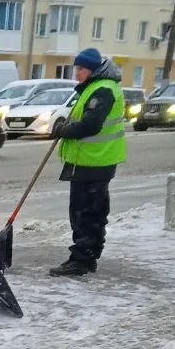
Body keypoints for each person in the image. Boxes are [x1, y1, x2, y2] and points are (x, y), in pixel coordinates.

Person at [49, 47, 126, 278]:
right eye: (76, 68)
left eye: (81, 69)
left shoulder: (102, 90)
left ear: (93, 69)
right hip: (90, 160)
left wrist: (66, 129)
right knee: (89, 211)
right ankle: (86, 256)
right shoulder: (95, 87)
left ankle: (82, 259)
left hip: (95, 161)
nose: (77, 73)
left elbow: (91, 125)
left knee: (86, 213)